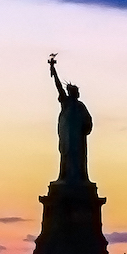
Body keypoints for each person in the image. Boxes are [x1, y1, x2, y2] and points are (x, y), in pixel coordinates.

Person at [48, 54, 93, 184]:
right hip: (68, 138)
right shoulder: (66, 102)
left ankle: (78, 179)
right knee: (67, 158)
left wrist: (85, 128)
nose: (78, 93)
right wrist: (53, 70)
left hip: (78, 139)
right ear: (72, 92)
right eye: (76, 91)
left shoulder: (80, 106)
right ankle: (66, 178)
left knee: (79, 160)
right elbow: (58, 86)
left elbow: (88, 121)